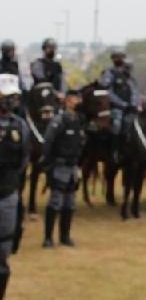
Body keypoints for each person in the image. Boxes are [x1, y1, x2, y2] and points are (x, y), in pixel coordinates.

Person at [40, 89, 85, 248]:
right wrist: (47, 164)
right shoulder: (59, 121)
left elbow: (80, 144)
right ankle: (48, 238)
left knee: (70, 204)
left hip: (72, 166)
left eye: (78, 99)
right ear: (66, 101)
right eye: (74, 99)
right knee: (55, 202)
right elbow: (48, 142)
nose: (77, 102)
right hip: (59, 166)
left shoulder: (77, 120)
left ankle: (65, 236)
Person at [0, 74, 30, 298]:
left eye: (14, 97)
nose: (12, 101)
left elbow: (23, 160)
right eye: (8, 97)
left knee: (3, 253)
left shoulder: (20, 126)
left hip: (7, 194)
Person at [100, 50, 139, 162]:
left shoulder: (128, 75)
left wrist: (133, 104)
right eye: (117, 58)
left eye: (121, 57)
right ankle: (114, 151)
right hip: (114, 107)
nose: (119, 60)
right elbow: (107, 91)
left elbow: (134, 91)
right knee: (117, 125)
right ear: (113, 59)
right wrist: (122, 104)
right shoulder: (110, 73)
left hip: (129, 108)